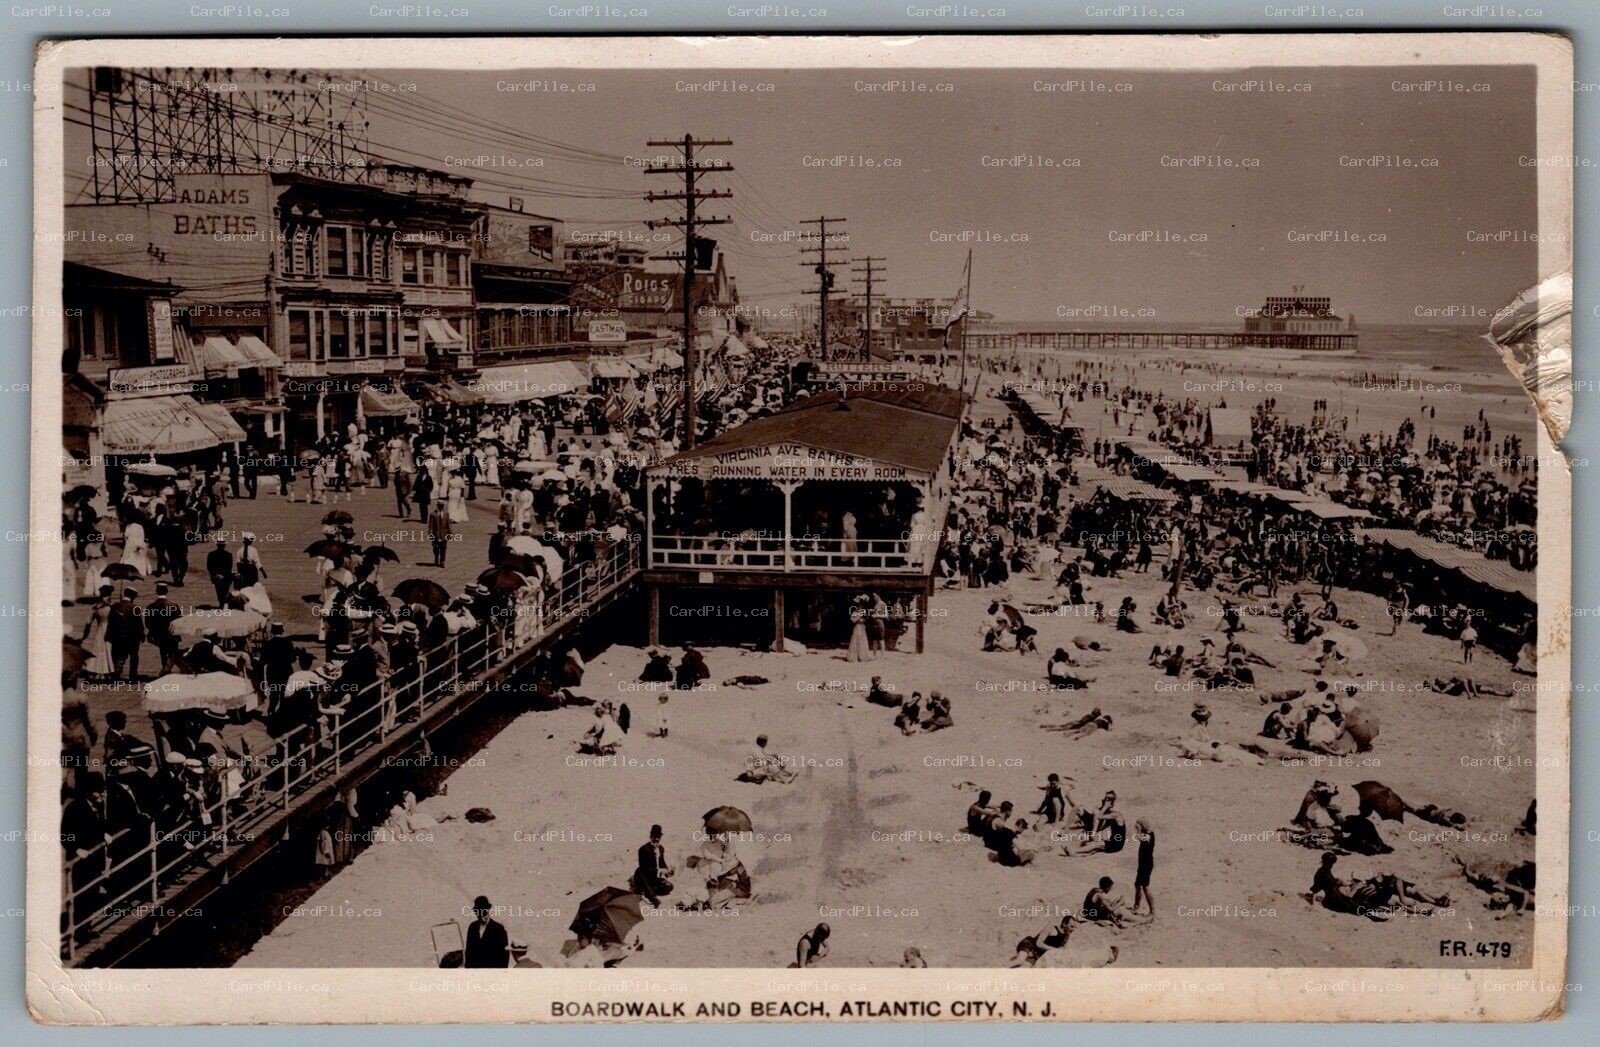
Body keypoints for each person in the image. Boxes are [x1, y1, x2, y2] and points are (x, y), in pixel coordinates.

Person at [106, 587, 145, 683]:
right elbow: (139, 624)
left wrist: (108, 634)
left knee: (117, 655)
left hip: (117, 636)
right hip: (132, 637)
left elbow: (110, 622)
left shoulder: (115, 606)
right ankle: (133, 676)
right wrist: (142, 635)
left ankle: (115, 674)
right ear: (133, 596)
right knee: (134, 657)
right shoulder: (135, 608)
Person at [632, 824, 674, 904]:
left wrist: (668, 871)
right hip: (644, 876)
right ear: (650, 836)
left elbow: (662, 863)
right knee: (641, 873)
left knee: (670, 886)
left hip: (654, 878)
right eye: (655, 836)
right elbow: (644, 868)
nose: (657, 839)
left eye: (658, 836)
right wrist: (660, 871)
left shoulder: (661, 848)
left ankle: (645, 890)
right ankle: (653, 898)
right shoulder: (643, 849)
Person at [464, 895, 510, 967]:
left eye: (484, 913)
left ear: (488, 910)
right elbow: (468, 953)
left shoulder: (499, 929)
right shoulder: (472, 927)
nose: (482, 917)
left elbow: (504, 957)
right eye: (479, 915)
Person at [1132, 820, 1156, 919]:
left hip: (1146, 865)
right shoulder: (1148, 833)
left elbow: (1137, 837)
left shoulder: (1149, 836)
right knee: (1137, 884)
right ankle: (1136, 905)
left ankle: (1152, 911)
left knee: (1145, 887)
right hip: (1143, 864)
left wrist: (1138, 830)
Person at [206, 537, 234, 608]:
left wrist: (216, 574)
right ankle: (223, 604)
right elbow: (229, 567)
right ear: (224, 545)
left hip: (216, 576)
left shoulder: (211, 554)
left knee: (219, 591)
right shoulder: (229, 555)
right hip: (226, 577)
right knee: (225, 591)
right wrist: (224, 575)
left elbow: (209, 567)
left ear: (217, 545)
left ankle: (221, 603)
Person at [428, 499, 453, 568]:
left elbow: (448, 524)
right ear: (437, 506)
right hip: (436, 535)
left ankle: (442, 561)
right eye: (439, 506)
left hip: (444, 535)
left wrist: (450, 533)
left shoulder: (446, 514)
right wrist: (430, 533)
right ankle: (436, 557)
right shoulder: (433, 514)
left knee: (443, 548)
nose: (441, 507)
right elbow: (430, 525)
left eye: (442, 506)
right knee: (436, 547)